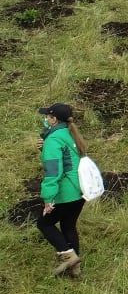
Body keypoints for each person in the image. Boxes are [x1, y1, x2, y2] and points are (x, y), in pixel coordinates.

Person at [36, 103, 86, 277]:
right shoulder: (70, 134)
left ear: (54, 119)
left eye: (47, 117)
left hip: (66, 193)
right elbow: (67, 160)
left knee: (44, 223)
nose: (45, 119)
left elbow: (53, 171)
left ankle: (69, 257)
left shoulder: (54, 139)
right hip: (80, 192)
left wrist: (48, 198)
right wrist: (44, 148)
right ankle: (75, 271)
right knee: (68, 226)